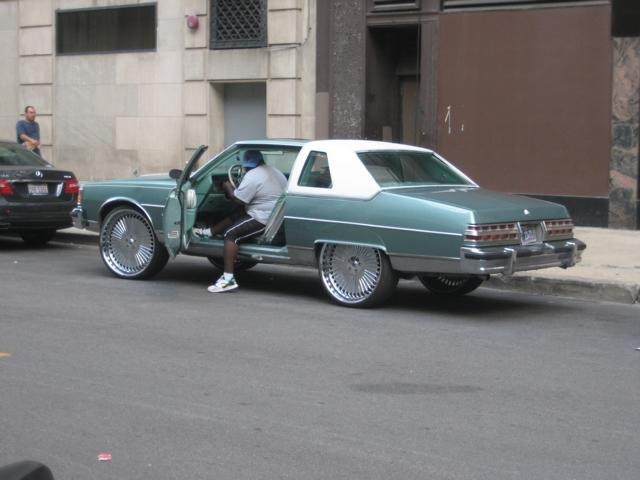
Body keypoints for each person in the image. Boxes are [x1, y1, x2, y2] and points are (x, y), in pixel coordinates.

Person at [203, 150, 287, 293]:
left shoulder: (252, 175)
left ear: (247, 165)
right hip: (275, 216)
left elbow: (238, 199)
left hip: (263, 219)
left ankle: (228, 279)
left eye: (246, 167)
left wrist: (228, 187)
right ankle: (209, 232)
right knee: (239, 213)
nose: (246, 169)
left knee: (230, 234)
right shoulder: (276, 171)